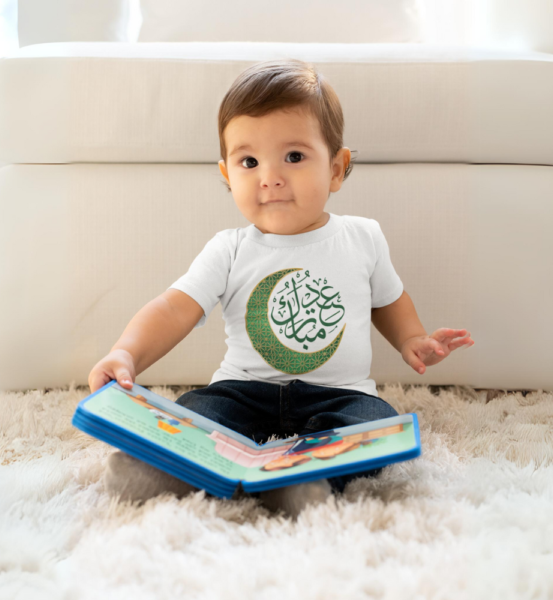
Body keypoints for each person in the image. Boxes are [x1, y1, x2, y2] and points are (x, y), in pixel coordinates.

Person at [89, 58, 475, 519]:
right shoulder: (228, 249)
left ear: (337, 168)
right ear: (227, 174)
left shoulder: (362, 237)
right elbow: (174, 309)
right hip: (241, 389)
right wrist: (126, 353)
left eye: (293, 157)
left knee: (375, 423)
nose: (269, 176)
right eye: (249, 161)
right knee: (196, 412)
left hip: (340, 394)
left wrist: (414, 339)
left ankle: (305, 482)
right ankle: (160, 471)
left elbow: (388, 300)